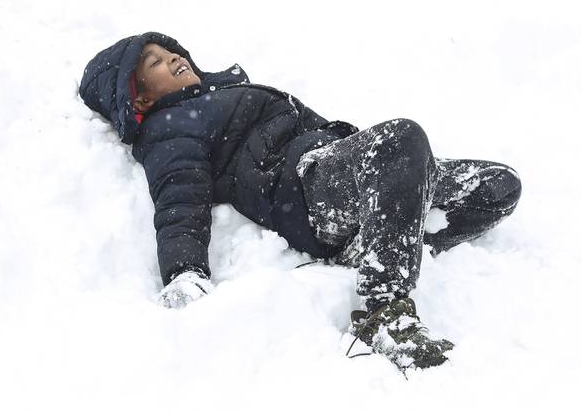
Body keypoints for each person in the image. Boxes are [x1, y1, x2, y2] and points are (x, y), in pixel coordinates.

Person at [79, 32, 521, 371]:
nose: (174, 57)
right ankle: (383, 313)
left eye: (171, 51)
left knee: (499, 187)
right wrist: (184, 273)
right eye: (155, 62)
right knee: (401, 137)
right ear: (140, 97)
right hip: (305, 189)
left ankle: (381, 239)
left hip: (342, 171)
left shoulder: (217, 97)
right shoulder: (171, 126)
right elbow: (179, 201)